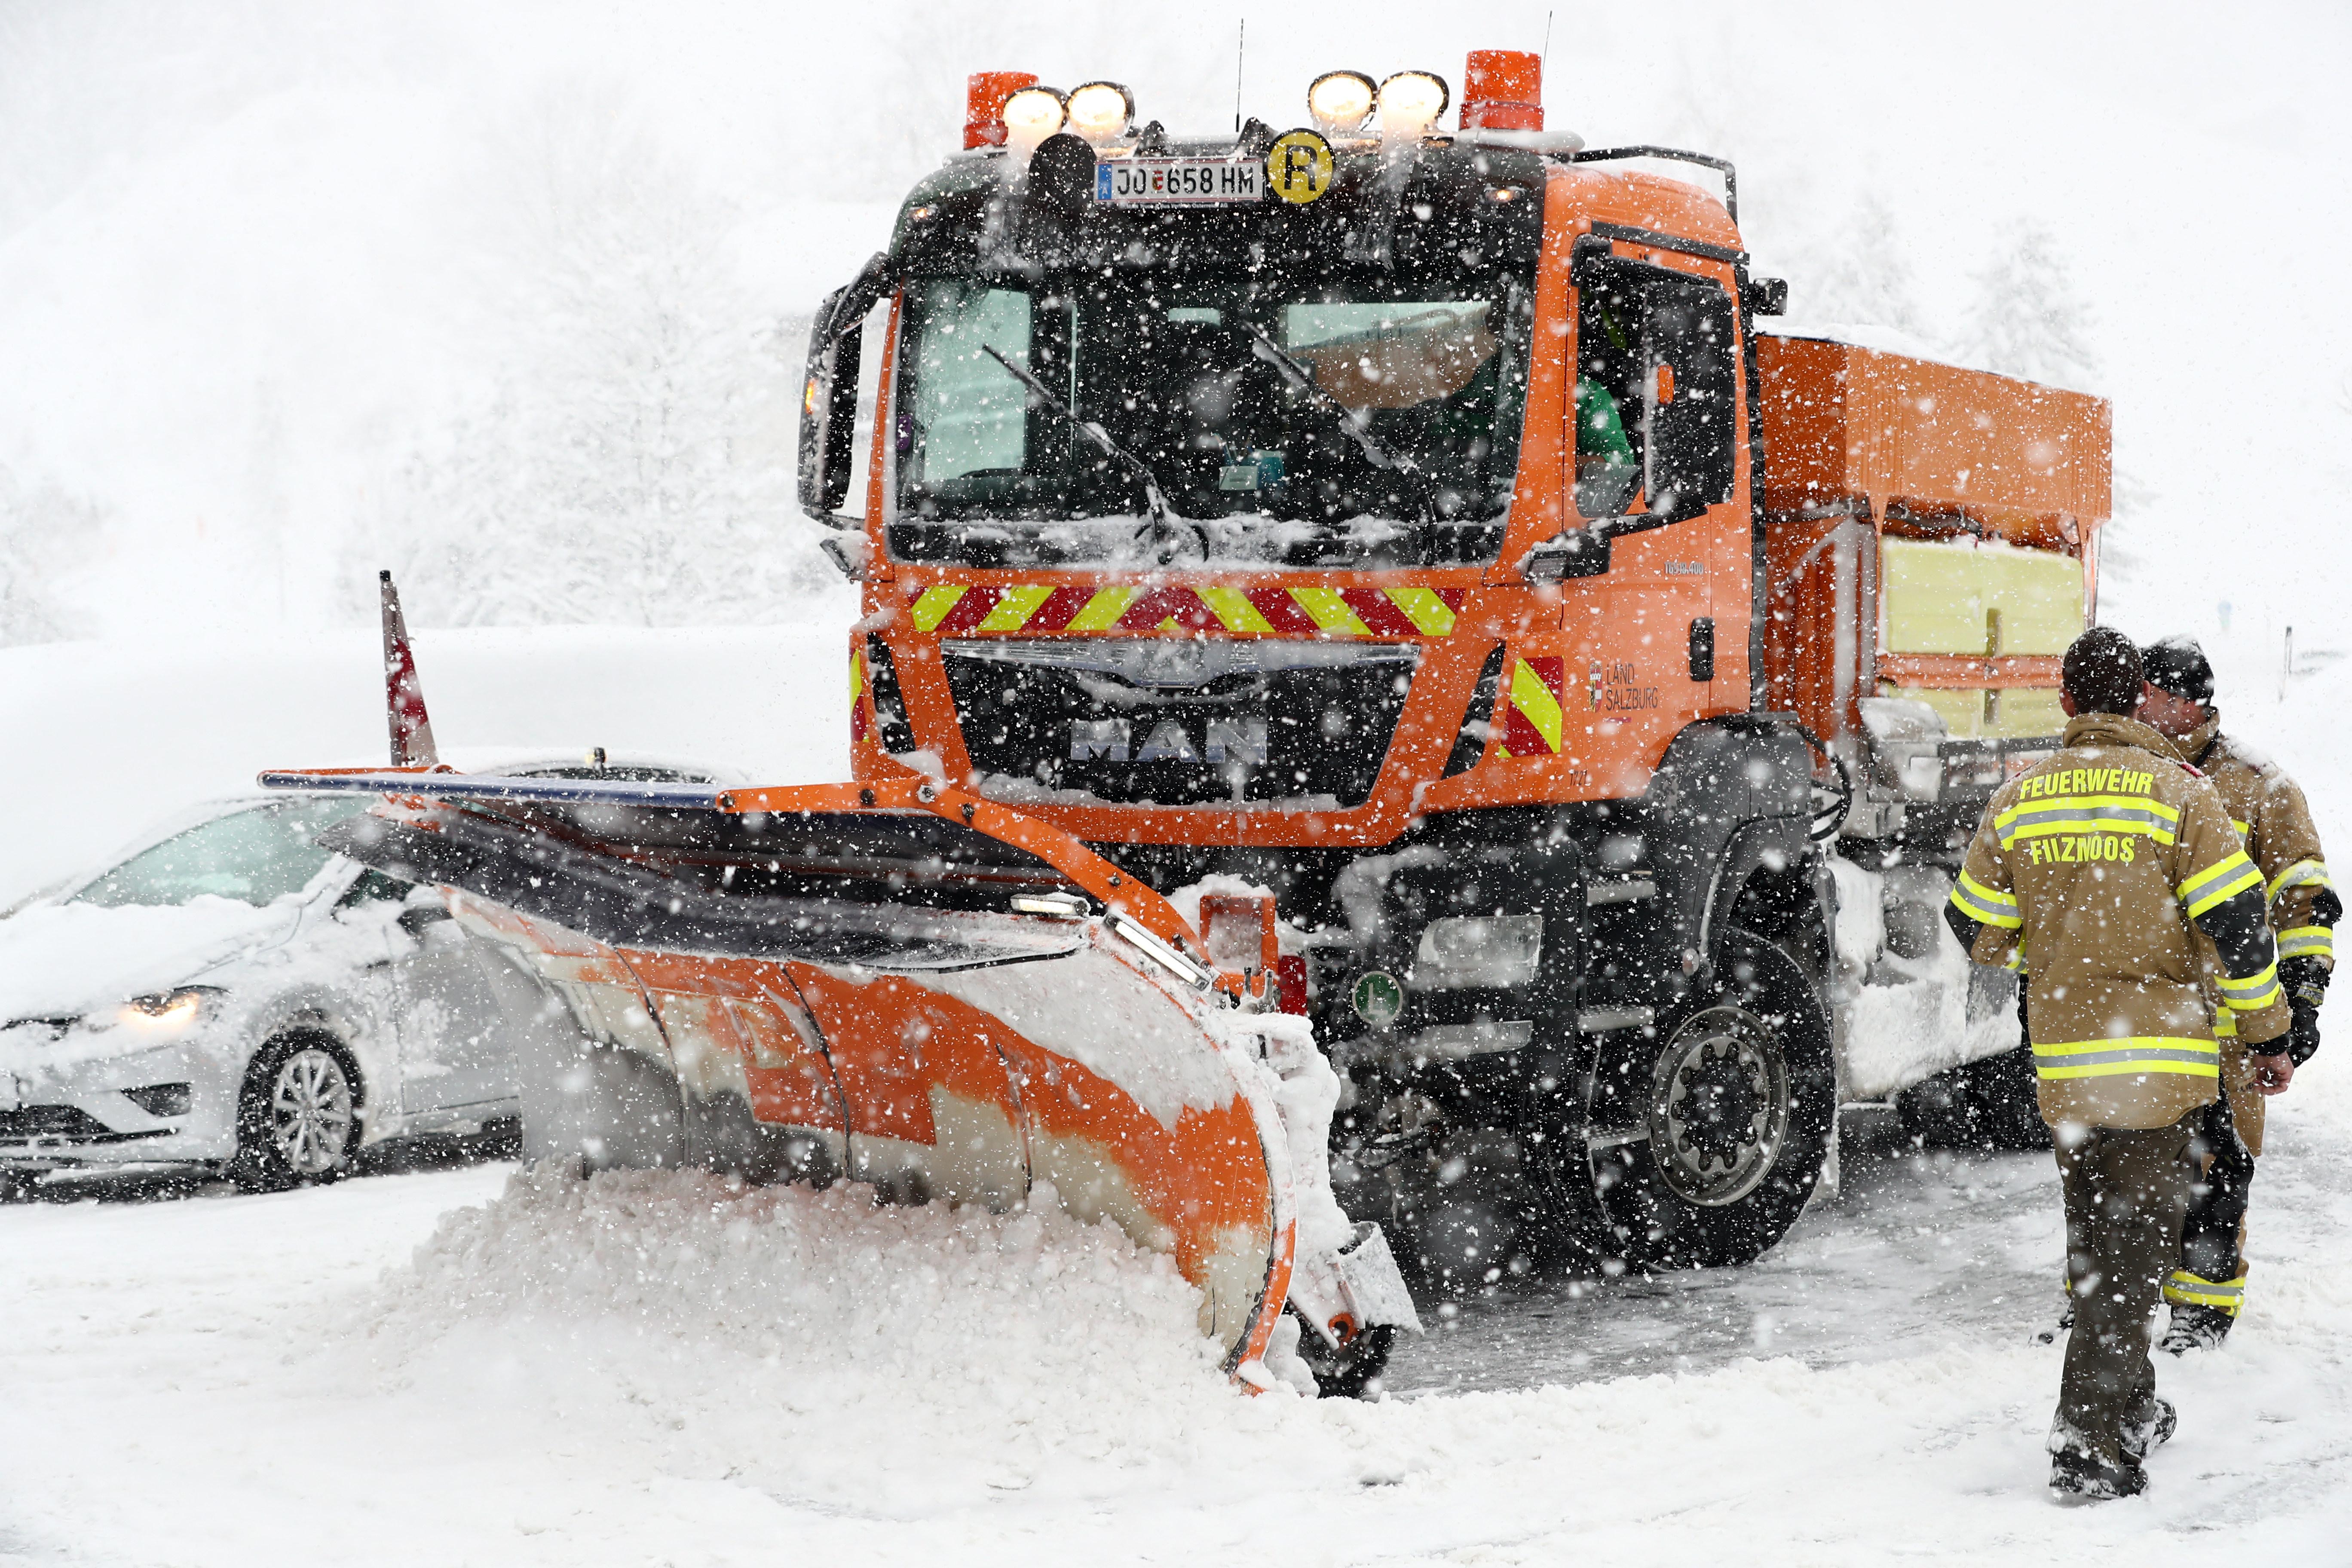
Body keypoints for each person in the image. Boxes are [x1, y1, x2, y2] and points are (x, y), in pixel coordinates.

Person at [1945, 628, 2292, 1500]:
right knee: (2132, 1263)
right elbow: (2241, 926)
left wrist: (2046, 944)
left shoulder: (2022, 796)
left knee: (2099, 1248)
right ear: (2140, 696)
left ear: (2064, 701)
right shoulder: (2182, 793)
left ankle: (2128, 1407)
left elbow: (1972, 925)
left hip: (2067, 1067)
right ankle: (2092, 1445)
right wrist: (2267, 1033)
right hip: (2161, 1067)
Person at [2137, 635, 2333, 1350]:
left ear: (2187, 702)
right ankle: (2110, 1308)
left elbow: (2303, 904)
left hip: (2227, 1029)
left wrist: (2303, 1003)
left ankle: (2201, 1314)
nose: (2137, 705)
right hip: (2145, 1017)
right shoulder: (2130, 776)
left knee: (2217, 1176)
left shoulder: (2260, 786)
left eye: (2149, 693)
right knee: (2125, 1167)